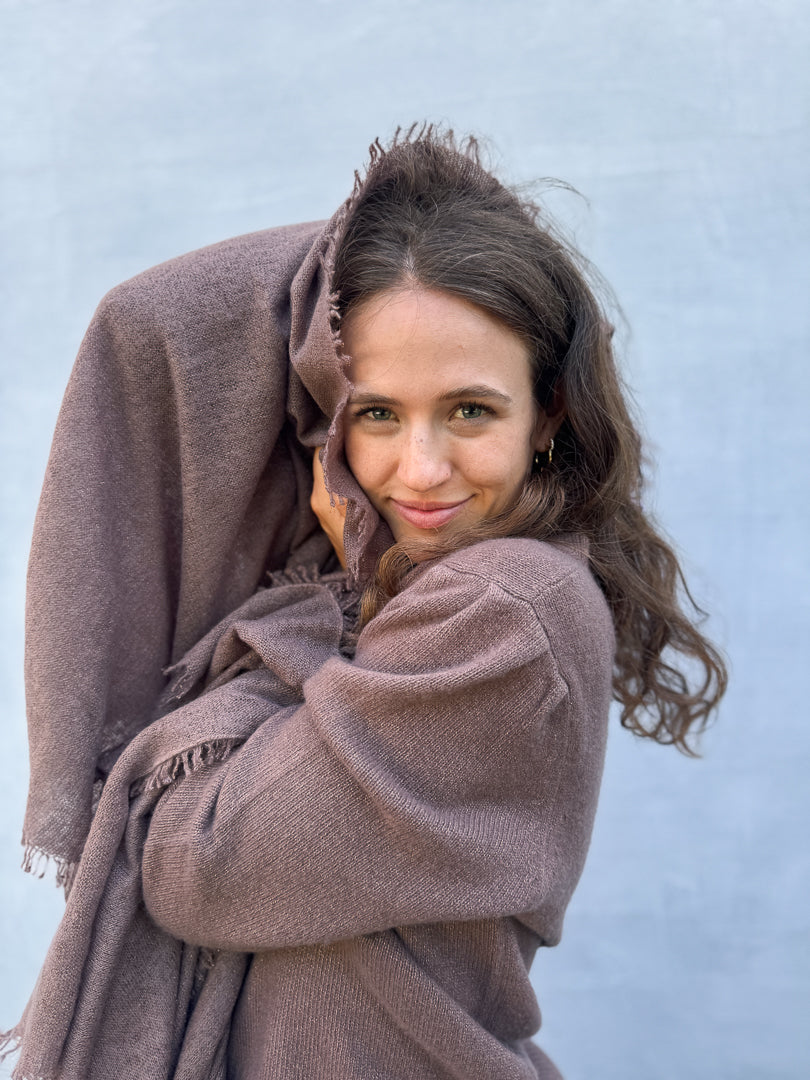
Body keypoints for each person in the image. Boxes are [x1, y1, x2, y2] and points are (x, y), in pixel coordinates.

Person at [3, 127, 726, 1079]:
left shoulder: (507, 610)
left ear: (548, 412)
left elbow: (193, 858)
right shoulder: (414, 592)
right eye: (377, 414)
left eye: (470, 410)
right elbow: (152, 319)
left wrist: (316, 608)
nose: (419, 470)